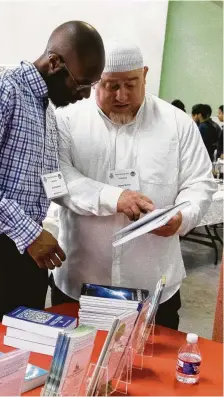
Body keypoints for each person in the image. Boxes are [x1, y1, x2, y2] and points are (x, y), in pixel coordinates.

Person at [0, 21, 105, 338]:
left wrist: (94, 200)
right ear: (55, 63)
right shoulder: (0, 92)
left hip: (26, 248)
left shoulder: (45, 109)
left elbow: (49, 179)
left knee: (18, 349)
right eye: (81, 84)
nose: (84, 95)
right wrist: (30, 233)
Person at [52, 40, 216, 330]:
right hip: (80, 283)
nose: (122, 95)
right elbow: (59, 178)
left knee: (153, 371)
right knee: (74, 369)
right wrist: (113, 197)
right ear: (93, 82)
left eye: (131, 83)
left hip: (154, 286)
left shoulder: (177, 124)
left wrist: (182, 218)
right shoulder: (66, 121)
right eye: (111, 86)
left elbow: (200, 182)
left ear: (145, 74)